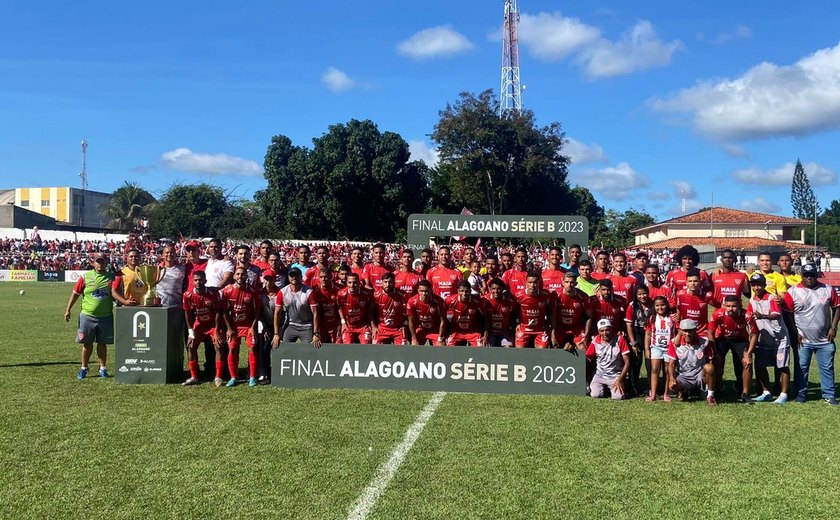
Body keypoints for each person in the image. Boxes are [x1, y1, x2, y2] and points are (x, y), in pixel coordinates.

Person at [64, 253, 136, 380]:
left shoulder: (112, 277)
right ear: (93, 262)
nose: (100, 264)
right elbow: (75, 294)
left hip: (106, 316)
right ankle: (84, 368)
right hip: (87, 316)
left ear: (106, 262)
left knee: (102, 344)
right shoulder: (86, 277)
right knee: (87, 344)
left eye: (102, 261)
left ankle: (103, 368)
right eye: (98, 261)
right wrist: (68, 309)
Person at [783, 264, 840, 404]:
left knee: (827, 367)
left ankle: (829, 394)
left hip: (825, 339)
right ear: (801, 275)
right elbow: (788, 315)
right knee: (801, 367)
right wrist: (794, 332)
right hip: (803, 339)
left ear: (817, 275)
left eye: (812, 274)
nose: (809, 277)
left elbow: (837, 307)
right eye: (806, 274)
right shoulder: (793, 291)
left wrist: (833, 327)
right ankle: (801, 394)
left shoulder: (827, 289)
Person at [747, 273, 791, 404]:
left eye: (759, 284)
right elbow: (751, 319)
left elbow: (776, 315)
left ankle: (784, 394)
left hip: (780, 337)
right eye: (754, 285)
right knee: (760, 365)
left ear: (764, 284)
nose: (756, 287)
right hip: (764, 338)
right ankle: (766, 392)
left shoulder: (772, 298)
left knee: (783, 366)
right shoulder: (751, 301)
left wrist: (763, 316)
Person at [709, 295, 759, 402]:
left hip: (740, 339)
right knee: (717, 361)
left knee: (747, 362)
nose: (731, 309)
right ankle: (718, 389)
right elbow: (710, 332)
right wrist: (715, 352)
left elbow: (754, 334)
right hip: (722, 339)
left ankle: (744, 393)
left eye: (734, 306)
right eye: (728, 306)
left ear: (740, 305)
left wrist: (749, 353)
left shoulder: (747, 315)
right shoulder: (718, 313)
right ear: (724, 305)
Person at [221, 266, 262, 387]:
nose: (240, 276)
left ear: (246, 276)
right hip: (234, 326)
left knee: (252, 348)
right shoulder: (227, 291)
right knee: (232, 348)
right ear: (234, 276)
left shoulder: (253, 291)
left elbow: (258, 310)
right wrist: (228, 328)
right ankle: (233, 377)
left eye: (243, 274)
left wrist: (253, 327)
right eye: (238, 274)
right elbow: (224, 311)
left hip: (248, 324)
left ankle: (252, 378)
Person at [181, 270, 223, 386]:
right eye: (196, 280)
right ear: (192, 281)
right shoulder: (187, 295)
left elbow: (218, 313)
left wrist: (217, 331)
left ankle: (218, 377)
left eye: (200, 280)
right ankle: (194, 376)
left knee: (218, 346)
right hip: (199, 324)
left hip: (213, 325)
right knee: (191, 346)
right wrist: (190, 332)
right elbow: (187, 314)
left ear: (205, 281)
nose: (198, 282)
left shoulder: (213, 294)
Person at [665, 319, 717, 406]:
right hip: (684, 375)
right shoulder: (674, 343)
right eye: (685, 331)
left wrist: (710, 377)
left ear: (695, 330)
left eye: (690, 331)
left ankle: (710, 396)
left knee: (709, 367)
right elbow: (671, 363)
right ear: (680, 331)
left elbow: (710, 359)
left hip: (699, 374)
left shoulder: (704, 342)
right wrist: (671, 378)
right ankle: (683, 390)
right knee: (672, 386)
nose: (688, 334)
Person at [272, 267, 320, 348]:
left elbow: (315, 313)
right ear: (288, 277)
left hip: (306, 326)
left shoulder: (309, 292)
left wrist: (316, 333)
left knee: (310, 350)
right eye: (291, 275)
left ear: (301, 277)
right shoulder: (283, 292)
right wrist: (276, 334)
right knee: (283, 348)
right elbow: (277, 313)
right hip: (290, 325)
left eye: (296, 275)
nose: (294, 278)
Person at [585, 318, 630, 400]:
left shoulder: (620, 340)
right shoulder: (595, 340)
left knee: (618, 397)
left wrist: (620, 379)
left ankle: (619, 386)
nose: (605, 333)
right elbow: (587, 358)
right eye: (602, 331)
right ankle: (605, 388)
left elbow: (627, 362)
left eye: (607, 330)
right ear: (599, 332)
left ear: (611, 329)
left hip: (615, 376)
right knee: (595, 395)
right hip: (599, 375)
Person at [644, 296, 676, 401]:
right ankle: (653, 394)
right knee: (654, 370)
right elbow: (648, 334)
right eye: (657, 305)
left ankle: (666, 393)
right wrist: (647, 349)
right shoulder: (652, 318)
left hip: (669, 348)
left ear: (667, 305)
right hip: (656, 347)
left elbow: (677, 332)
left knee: (667, 370)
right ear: (654, 306)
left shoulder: (672, 318)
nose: (660, 307)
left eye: (662, 305)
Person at [552, 272, 592, 352]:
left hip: (577, 328)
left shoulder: (583, 296)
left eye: (572, 282)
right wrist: (553, 334)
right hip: (560, 327)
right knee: (555, 346)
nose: (569, 285)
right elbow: (553, 316)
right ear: (562, 283)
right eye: (566, 282)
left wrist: (587, 335)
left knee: (582, 348)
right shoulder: (555, 295)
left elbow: (589, 317)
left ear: (576, 283)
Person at [625, 285, 652, 396]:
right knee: (636, 361)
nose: (642, 296)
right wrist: (633, 342)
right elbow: (629, 325)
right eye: (639, 294)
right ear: (636, 295)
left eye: (644, 293)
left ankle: (651, 387)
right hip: (636, 334)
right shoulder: (632, 305)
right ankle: (633, 387)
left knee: (649, 362)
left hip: (650, 334)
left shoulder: (653, 303)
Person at [670, 269, 712, 339]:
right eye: (690, 281)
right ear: (686, 282)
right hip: (686, 331)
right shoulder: (680, 294)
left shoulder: (707, 296)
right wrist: (679, 329)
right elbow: (678, 312)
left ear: (700, 282)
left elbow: (718, 307)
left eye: (695, 281)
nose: (693, 283)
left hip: (702, 332)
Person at [513, 273, 552, 349]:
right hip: (524, 329)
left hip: (540, 329)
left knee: (542, 351)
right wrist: (517, 322)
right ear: (526, 283)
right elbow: (516, 310)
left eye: (535, 282)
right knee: (519, 350)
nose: (532, 285)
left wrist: (548, 323)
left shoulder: (545, 295)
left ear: (539, 283)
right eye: (530, 282)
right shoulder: (519, 295)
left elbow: (549, 310)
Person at [255, 269, 279, 384]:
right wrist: (264, 328)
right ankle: (263, 374)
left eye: (271, 279)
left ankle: (278, 373)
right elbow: (259, 312)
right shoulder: (260, 293)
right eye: (266, 279)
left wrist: (277, 331)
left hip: (278, 325)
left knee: (278, 348)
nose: (268, 282)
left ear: (275, 280)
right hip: (265, 324)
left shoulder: (280, 292)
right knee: (263, 348)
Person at [336, 272, 374, 344]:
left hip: (362, 326)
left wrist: (370, 323)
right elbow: (339, 307)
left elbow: (370, 309)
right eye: (349, 282)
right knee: (347, 346)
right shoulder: (341, 294)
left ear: (359, 282)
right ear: (346, 283)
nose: (352, 285)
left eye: (355, 282)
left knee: (366, 345)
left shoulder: (366, 294)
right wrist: (343, 322)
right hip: (348, 326)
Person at [371, 272, 407, 344]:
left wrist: (405, 325)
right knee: (374, 347)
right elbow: (370, 311)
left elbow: (408, 312)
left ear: (394, 283)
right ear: (382, 283)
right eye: (385, 282)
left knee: (403, 349)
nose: (388, 285)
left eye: (390, 282)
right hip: (382, 329)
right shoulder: (376, 295)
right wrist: (373, 327)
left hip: (397, 329)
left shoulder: (401, 295)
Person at [444, 281, 484, 346]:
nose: (464, 293)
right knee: (447, 346)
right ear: (458, 291)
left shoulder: (477, 301)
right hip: (456, 331)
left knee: (480, 346)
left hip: (472, 331)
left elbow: (484, 317)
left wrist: (485, 334)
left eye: (467, 291)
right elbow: (442, 316)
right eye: (461, 291)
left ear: (470, 291)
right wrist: (446, 332)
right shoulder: (450, 300)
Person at [407, 280, 445, 345]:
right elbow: (411, 321)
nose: (424, 294)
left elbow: (443, 321)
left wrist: (440, 338)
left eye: (426, 291)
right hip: (420, 329)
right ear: (418, 290)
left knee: (440, 346)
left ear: (431, 290)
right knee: (414, 347)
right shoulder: (412, 302)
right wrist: (414, 338)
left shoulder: (439, 301)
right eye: (421, 291)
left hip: (434, 330)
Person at [481, 278, 517, 347]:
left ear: (503, 289)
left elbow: (513, 316)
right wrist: (485, 335)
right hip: (490, 332)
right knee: (484, 346)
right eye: (493, 289)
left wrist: (512, 332)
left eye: (498, 289)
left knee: (508, 347)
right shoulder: (485, 300)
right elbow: (484, 319)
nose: (496, 291)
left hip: (505, 331)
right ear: (490, 289)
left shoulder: (509, 301)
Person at [310, 269, 342, 344]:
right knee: (319, 345)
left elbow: (341, 308)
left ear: (331, 277)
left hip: (335, 323)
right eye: (321, 277)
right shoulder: (315, 290)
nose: (323, 279)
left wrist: (341, 324)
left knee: (337, 345)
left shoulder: (339, 289)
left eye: (326, 277)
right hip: (321, 324)